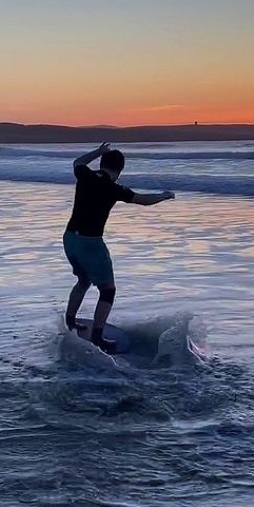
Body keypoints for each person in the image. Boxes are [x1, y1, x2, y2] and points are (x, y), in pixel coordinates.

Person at [63, 142, 175, 352]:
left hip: (70, 239)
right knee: (108, 291)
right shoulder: (113, 188)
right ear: (119, 170)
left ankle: (70, 321)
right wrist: (164, 195)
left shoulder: (85, 175)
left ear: (102, 164)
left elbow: (77, 162)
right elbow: (142, 200)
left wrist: (98, 151)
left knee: (84, 280)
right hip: (90, 243)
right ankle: (98, 336)